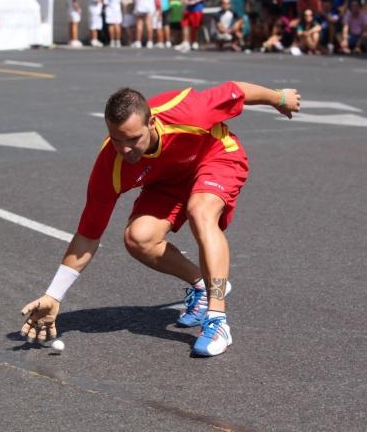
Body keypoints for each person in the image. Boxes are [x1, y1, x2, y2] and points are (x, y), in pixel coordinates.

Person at [19, 82, 301, 357]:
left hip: (215, 157)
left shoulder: (187, 112)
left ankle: (217, 319)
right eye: (117, 140)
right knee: (138, 238)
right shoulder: (110, 165)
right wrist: (54, 294)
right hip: (167, 180)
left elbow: (236, 90)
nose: (125, 149)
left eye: (133, 139)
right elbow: (88, 236)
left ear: (151, 123)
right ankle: (205, 286)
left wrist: (278, 97)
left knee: (200, 211)